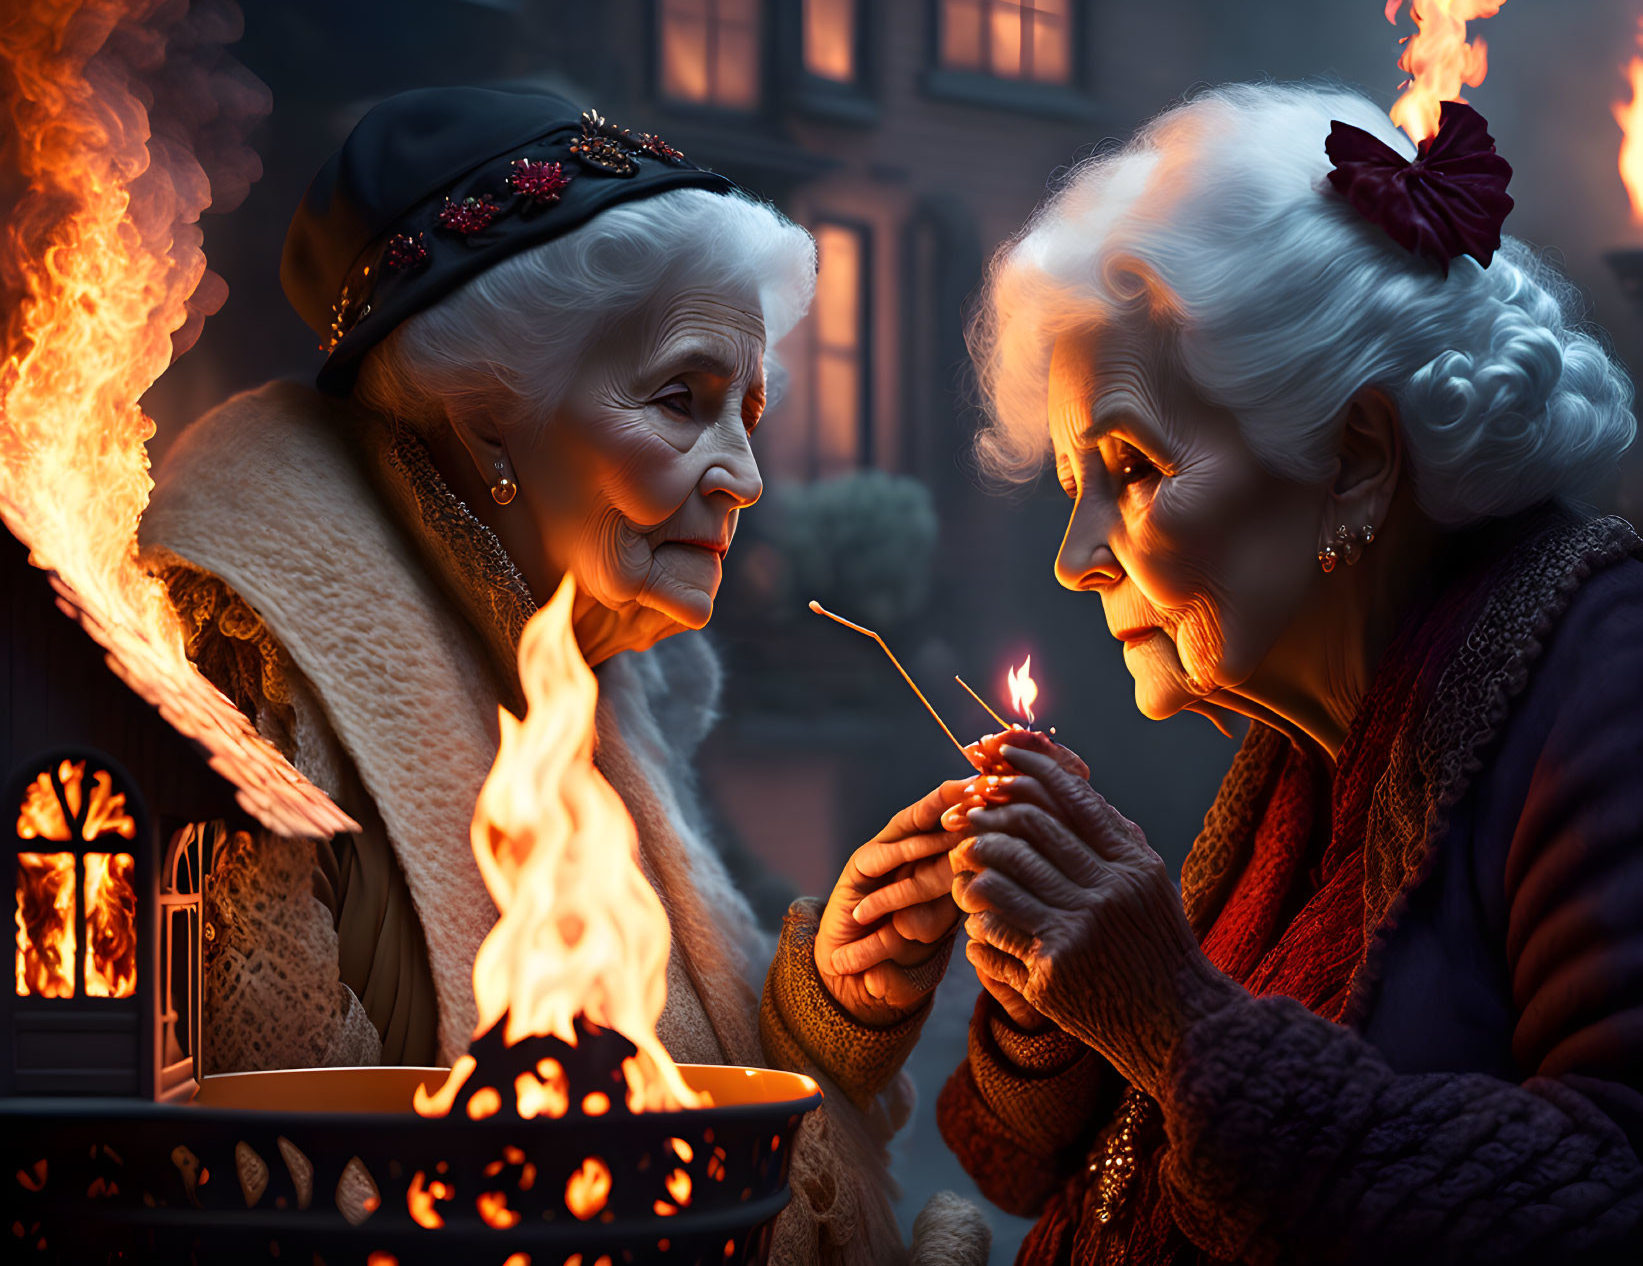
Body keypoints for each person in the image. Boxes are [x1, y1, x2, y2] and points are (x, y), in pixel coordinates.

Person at [140, 87, 984, 1266]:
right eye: (681, 400)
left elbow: (670, 1058)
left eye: (747, 411)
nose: (742, 472)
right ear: (490, 417)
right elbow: (275, 1186)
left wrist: (834, 993)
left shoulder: (593, 662)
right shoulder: (254, 680)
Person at [930, 82, 1643, 1263]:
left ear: (1356, 460)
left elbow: (1604, 1196)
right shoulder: (1301, 737)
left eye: (1133, 466)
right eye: (1073, 485)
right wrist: (1044, 991)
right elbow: (1041, 1162)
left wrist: (1165, 1014)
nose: (1073, 562)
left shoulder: (1600, 678)